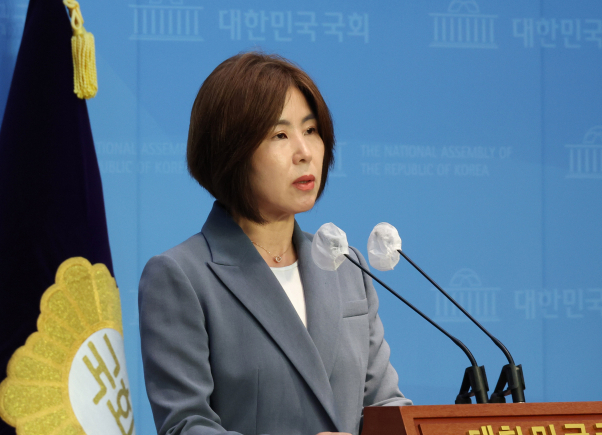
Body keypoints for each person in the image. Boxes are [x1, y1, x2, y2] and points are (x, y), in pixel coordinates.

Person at [138, 52, 411, 435]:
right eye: (280, 135)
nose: (305, 152)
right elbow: (186, 424)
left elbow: (385, 405)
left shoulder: (346, 265)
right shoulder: (181, 276)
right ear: (231, 152)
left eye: (311, 130)